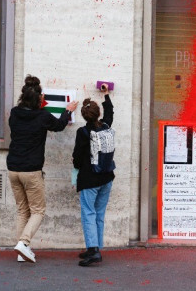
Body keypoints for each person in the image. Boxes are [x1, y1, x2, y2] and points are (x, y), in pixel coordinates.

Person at [7, 75, 78, 263]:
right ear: (39, 99)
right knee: (38, 211)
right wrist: (68, 111)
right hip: (31, 171)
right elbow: (60, 126)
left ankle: (22, 251)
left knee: (22, 210)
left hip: (13, 169)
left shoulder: (14, 113)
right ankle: (23, 242)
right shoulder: (42, 117)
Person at [72, 84, 114, 267]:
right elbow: (110, 113)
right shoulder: (105, 126)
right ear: (98, 115)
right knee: (99, 213)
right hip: (107, 177)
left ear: (84, 116)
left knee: (88, 213)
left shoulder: (83, 133)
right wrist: (106, 95)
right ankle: (94, 247)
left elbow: (77, 157)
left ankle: (94, 251)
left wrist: (76, 167)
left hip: (90, 180)